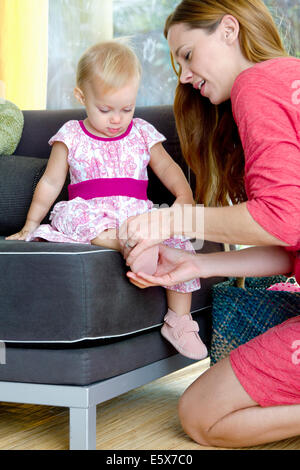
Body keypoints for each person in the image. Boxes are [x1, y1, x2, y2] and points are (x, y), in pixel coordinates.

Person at [119, 0, 300, 448]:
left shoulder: (254, 83)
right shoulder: (290, 75)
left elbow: (283, 219)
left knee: (201, 416)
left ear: (228, 30)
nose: (183, 75)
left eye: (186, 54)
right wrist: (197, 265)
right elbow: (290, 241)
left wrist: (171, 220)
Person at [5, 39, 208, 361]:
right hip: (91, 212)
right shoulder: (70, 135)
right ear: (81, 97)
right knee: (68, 217)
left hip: (136, 213)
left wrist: (184, 197)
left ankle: (179, 320)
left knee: (179, 243)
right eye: (105, 109)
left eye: (126, 109)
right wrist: (29, 225)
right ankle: (125, 243)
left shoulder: (141, 131)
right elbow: (51, 182)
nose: (117, 119)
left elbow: (168, 167)